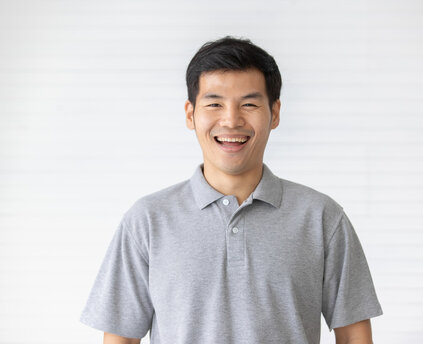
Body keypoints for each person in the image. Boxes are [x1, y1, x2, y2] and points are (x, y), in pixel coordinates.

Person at [80, 36, 383, 344]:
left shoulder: (321, 217)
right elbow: (122, 338)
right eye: (214, 104)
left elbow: (354, 337)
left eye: (249, 104)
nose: (231, 120)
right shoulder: (147, 220)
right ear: (190, 114)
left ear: (275, 113)